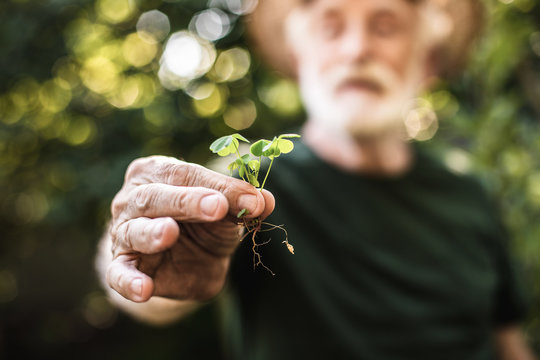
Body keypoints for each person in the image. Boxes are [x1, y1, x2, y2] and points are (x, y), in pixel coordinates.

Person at [95, 0, 537, 358]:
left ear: (426, 61)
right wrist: (140, 251)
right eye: (331, 28)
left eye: (386, 27)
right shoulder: (249, 185)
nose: (356, 50)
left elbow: (507, 342)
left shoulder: (469, 194)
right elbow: (154, 284)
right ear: (299, 56)